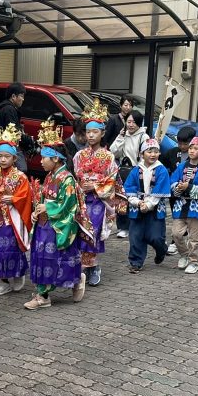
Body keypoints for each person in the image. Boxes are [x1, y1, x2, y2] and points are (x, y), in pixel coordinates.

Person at [24, 123, 93, 309]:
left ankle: (44, 295)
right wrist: (36, 211)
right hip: (45, 224)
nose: (40, 161)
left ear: (55, 158)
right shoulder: (49, 176)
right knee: (42, 256)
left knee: (53, 257)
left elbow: (68, 205)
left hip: (57, 225)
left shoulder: (67, 179)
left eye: (44, 158)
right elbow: (42, 198)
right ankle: (73, 281)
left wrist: (47, 208)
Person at [73, 99, 120, 287]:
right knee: (79, 233)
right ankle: (85, 267)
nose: (91, 135)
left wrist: (94, 187)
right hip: (81, 200)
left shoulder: (109, 157)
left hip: (98, 201)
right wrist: (78, 189)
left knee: (92, 232)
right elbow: (75, 179)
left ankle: (92, 266)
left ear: (102, 133)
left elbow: (112, 180)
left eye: (95, 132)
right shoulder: (79, 156)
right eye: (88, 132)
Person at [0, 122, 32, 296]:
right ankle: (3, 281)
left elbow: (27, 197)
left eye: (6, 156)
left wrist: (13, 199)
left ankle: (17, 274)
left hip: (13, 220)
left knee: (13, 250)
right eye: (0, 156)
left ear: (14, 158)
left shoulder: (20, 177)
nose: (3, 159)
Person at [123, 138, 171, 273]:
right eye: (149, 151)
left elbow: (160, 191)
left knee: (156, 237)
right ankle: (135, 262)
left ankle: (161, 249)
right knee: (135, 236)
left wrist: (148, 204)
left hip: (154, 208)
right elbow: (128, 188)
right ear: (141, 153)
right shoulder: (136, 170)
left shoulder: (161, 170)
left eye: (156, 151)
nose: (153, 154)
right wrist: (137, 202)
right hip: (137, 207)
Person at [169, 137, 198, 275]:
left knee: (194, 238)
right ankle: (184, 254)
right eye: (190, 148)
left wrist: (188, 187)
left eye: (195, 148)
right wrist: (177, 187)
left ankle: (194, 262)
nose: (192, 151)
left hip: (196, 206)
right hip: (181, 204)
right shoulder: (182, 165)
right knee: (176, 234)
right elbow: (173, 180)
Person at [110, 110, 147, 239]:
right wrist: (120, 137)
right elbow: (113, 152)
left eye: (134, 122)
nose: (131, 125)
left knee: (134, 199)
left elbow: (145, 157)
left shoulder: (144, 137)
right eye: (128, 121)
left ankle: (134, 225)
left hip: (137, 171)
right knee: (121, 199)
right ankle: (123, 227)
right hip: (123, 171)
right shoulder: (123, 134)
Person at [0, 82, 30, 173]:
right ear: (13, 96)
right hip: (8, 147)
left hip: (3, 147)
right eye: (21, 96)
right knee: (20, 170)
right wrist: (28, 140)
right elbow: (14, 131)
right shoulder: (9, 109)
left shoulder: (6, 108)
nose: (23, 99)